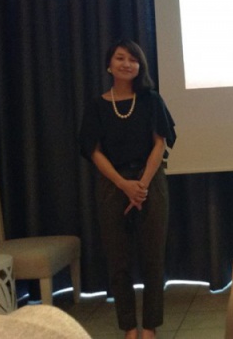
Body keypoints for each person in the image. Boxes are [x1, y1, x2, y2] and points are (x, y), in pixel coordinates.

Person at [80, 40, 176, 339]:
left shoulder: (151, 100)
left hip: (151, 183)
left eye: (133, 59)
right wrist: (124, 185)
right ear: (109, 65)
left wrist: (141, 186)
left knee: (153, 259)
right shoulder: (97, 106)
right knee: (118, 260)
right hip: (112, 185)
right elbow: (93, 151)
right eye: (120, 58)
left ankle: (149, 327)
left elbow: (160, 143)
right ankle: (129, 328)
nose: (127, 64)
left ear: (140, 66)